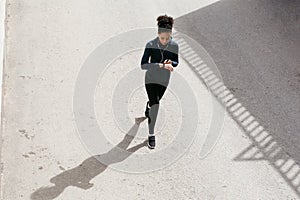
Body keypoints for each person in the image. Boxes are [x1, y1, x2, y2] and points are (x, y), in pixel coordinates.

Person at [140, 14, 179, 149]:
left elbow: (176, 62)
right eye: (162, 38)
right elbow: (143, 65)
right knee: (156, 105)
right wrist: (161, 65)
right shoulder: (150, 45)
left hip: (164, 81)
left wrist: (171, 63)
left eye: (167, 38)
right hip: (150, 79)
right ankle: (151, 134)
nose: (165, 41)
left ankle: (148, 105)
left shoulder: (174, 45)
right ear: (158, 34)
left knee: (155, 101)